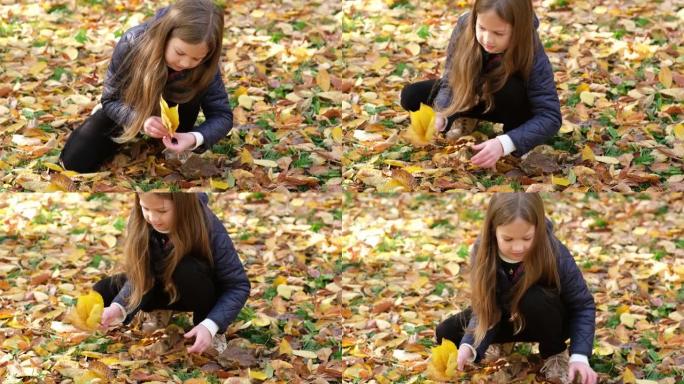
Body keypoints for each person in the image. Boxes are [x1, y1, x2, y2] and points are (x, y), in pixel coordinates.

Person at [435, 193, 597, 384]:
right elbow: (485, 306)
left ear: (537, 229)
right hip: (505, 317)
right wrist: (469, 346)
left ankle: (555, 353)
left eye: (527, 238)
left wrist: (580, 356)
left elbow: (582, 306)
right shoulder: (483, 251)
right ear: (493, 231)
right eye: (508, 239)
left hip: (548, 319)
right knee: (446, 332)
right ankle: (498, 343)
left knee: (532, 297)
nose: (518, 247)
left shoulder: (553, 252)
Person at [60, 0, 233, 173]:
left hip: (178, 113)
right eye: (180, 52)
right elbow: (110, 99)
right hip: (132, 106)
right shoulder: (132, 42)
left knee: (195, 80)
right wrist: (142, 121)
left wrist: (194, 138)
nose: (186, 63)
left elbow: (222, 115)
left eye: (197, 58)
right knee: (74, 161)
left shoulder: (206, 64)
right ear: (165, 36)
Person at [400, 0, 561, 168]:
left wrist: (504, 143)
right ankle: (465, 117)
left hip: (509, 101)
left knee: (509, 88)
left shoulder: (531, 47)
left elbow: (550, 116)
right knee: (411, 96)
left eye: (499, 33)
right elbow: (451, 78)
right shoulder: (465, 26)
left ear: (518, 31)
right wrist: (442, 113)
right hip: (473, 93)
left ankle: (517, 136)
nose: (487, 39)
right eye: (482, 28)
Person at [95, 193, 250, 355]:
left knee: (185, 268)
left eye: (162, 211)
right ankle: (157, 310)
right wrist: (117, 308)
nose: (153, 218)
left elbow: (238, 285)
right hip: (161, 285)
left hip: (197, 287)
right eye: (145, 208)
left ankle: (209, 332)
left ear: (183, 205)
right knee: (103, 289)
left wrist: (211, 325)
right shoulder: (140, 219)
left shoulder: (208, 225)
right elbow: (141, 273)